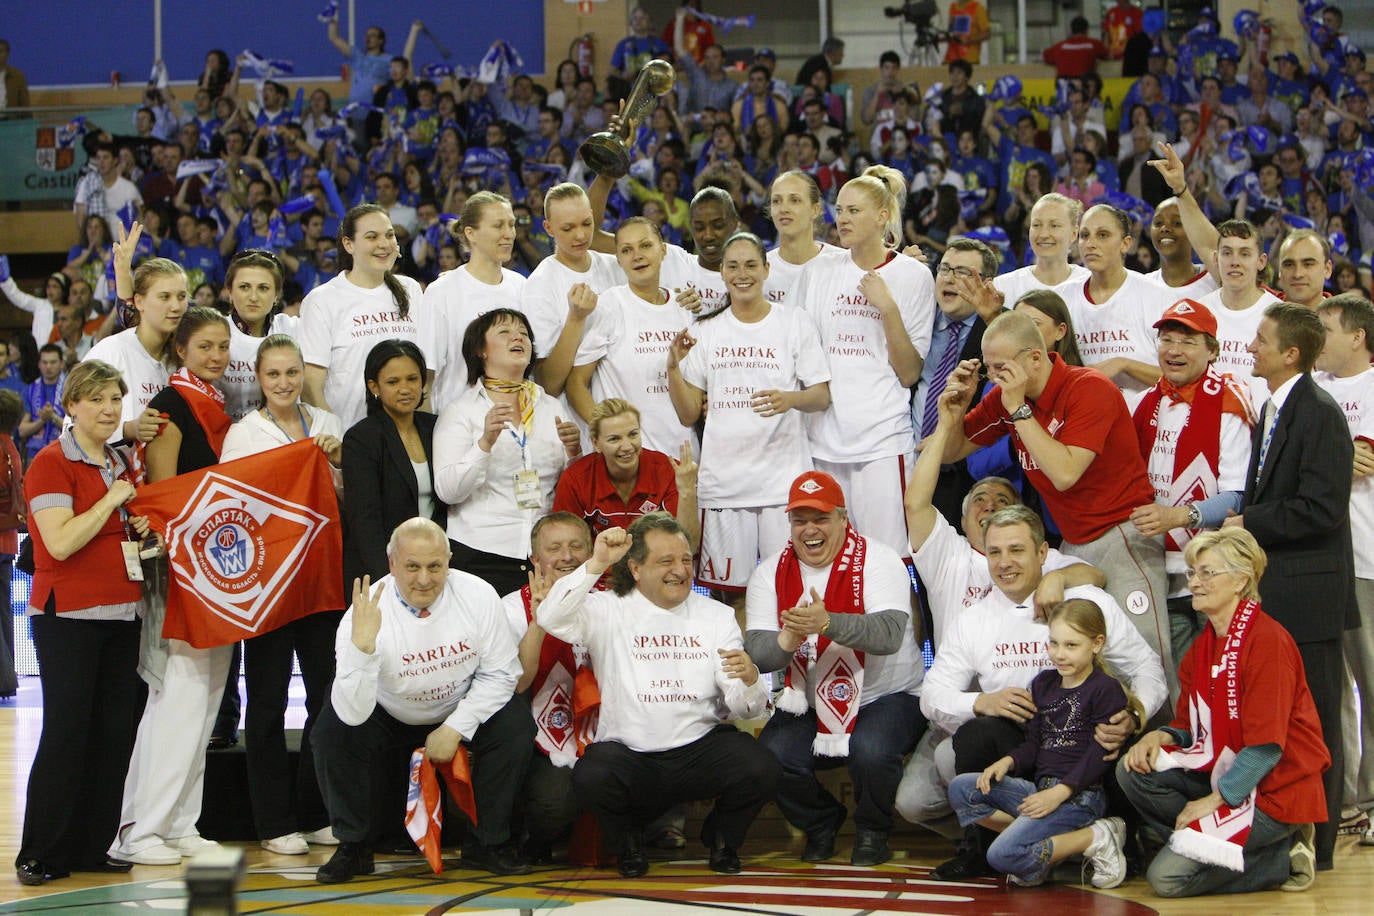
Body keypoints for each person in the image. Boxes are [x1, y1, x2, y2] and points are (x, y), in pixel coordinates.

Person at [920, 505, 1167, 881]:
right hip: (1028, 744)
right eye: (994, 552)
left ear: (1042, 554)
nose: (1005, 563)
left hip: (1089, 741)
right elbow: (931, 694)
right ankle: (987, 850)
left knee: (1120, 734)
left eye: (1016, 550)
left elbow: (1147, 669)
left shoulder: (1086, 600)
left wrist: (1134, 715)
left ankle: (1121, 837)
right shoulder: (972, 620)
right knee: (976, 733)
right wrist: (980, 701)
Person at [941, 310, 1174, 691]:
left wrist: (1019, 411)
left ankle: (1164, 743)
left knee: (1145, 660)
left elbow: (1064, 474)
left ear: (1035, 357)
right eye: (990, 368)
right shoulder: (1004, 398)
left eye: (1002, 366)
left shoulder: (1089, 388)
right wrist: (954, 409)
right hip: (1075, 542)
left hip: (1124, 535)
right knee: (1084, 665)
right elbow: (952, 451)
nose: (995, 377)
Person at [537, 514, 780, 877]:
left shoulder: (717, 616)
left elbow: (745, 706)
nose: (680, 571)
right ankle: (628, 845)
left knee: (760, 767)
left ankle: (723, 839)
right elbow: (549, 616)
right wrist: (598, 561)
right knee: (592, 776)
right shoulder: (606, 608)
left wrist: (749, 680)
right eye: (666, 561)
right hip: (630, 754)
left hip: (699, 747)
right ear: (635, 568)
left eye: (685, 560)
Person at [311, 518, 534, 882]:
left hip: (457, 704)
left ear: (449, 561)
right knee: (332, 733)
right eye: (412, 567)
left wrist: (455, 728)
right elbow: (351, 712)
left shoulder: (478, 594)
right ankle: (354, 845)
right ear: (393, 565)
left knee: (515, 726)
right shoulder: (363, 613)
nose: (424, 579)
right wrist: (363, 650)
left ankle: (488, 844)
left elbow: (502, 674)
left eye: (435, 566)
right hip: (386, 709)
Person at [1119, 528, 1330, 897]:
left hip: (1276, 791)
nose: (1195, 583)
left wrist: (1213, 802)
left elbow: (1265, 748)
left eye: (1206, 573)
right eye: (1192, 573)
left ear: (1240, 580)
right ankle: (1197, 842)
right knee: (1132, 770)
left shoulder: (1268, 641)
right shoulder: (1203, 647)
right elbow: (1189, 726)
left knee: (1165, 880)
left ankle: (1282, 856)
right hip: (1222, 772)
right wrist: (1159, 735)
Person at [1227, 303, 1355, 871]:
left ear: (1291, 354)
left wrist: (1247, 523)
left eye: (1260, 339)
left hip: (1312, 597)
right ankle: (1284, 833)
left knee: (1320, 721)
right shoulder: (1274, 408)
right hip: (1279, 591)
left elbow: (1322, 509)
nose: (1251, 346)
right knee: (1281, 721)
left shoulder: (1320, 412)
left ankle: (1319, 847)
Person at [744, 471, 924, 867]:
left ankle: (873, 830)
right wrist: (788, 639)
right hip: (807, 701)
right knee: (770, 757)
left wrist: (828, 623)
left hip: (885, 696)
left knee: (871, 751)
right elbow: (758, 652)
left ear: (843, 518)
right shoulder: (769, 572)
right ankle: (822, 822)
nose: (810, 529)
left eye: (821, 518)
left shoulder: (880, 560)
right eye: (799, 519)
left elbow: (890, 634)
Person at [14, 361, 149, 886]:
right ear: (71, 406)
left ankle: (93, 844)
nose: (109, 409)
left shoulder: (120, 461)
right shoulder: (51, 463)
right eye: (96, 400)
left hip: (124, 614)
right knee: (67, 734)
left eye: (116, 399)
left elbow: (113, 537)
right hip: (67, 618)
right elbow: (60, 542)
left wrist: (140, 533)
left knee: (114, 735)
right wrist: (114, 502)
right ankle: (40, 851)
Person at [110, 307, 233, 867]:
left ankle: (181, 822)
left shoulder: (216, 407)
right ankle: (140, 829)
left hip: (218, 575)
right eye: (204, 345)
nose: (216, 356)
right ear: (180, 350)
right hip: (181, 573)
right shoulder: (168, 408)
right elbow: (163, 500)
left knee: (204, 703)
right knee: (177, 699)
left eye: (222, 346)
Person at [219, 335, 344, 856]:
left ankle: (315, 812)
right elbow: (231, 504)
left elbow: (347, 497)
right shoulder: (243, 433)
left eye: (292, 372)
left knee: (326, 699)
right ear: (258, 380)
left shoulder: (331, 425)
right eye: (273, 375)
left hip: (321, 581)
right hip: (268, 588)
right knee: (267, 704)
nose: (285, 383)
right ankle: (273, 822)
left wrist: (336, 466)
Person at [667, 233, 831, 594]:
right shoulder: (704, 329)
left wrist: (790, 399)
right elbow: (688, 413)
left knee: (789, 595)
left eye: (751, 265)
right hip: (724, 486)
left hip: (782, 485)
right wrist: (673, 370)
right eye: (733, 266)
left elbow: (820, 396)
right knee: (730, 597)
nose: (742, 274)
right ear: (722, 274)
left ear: (766, 269)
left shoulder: (794, 322)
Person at [949, 599, 1137, 889]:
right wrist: (1007, 762)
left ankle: (1098, 836)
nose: (1059, 654)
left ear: (1097, 644)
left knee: (1000, 855)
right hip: (1041, 788)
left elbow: (1100, 755)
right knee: (962, 788)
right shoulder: (1043, 684)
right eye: (1054, 643)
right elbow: (1034, 745)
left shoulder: (1104, 689)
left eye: (1071, 646)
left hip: (1080, 796)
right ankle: (1039, 851)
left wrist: (1061, 793)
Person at [795, 167, 933, 554]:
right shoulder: (819, 270)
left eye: (854, 211)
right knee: (829, 559)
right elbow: (803, 355)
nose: (843, 219)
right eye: (839, 210)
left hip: (881, 441)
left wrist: (887, 308)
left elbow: (908, 374)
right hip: (822, 440)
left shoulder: (912, 276)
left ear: (883, 216)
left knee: (890, 561)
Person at [1129, 299, 1253, 665]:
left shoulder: (1229, 403)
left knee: (1222, 675)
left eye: (1188, 341)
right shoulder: (1145, 402)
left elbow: (1239, 496)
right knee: (1178, 680)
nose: (1174, 351)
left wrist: (1179, 516)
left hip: (1215, 571)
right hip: (1156, 570)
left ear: (1212, 350)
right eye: (1167, 340)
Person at [433, 308, 580, 596]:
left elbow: (567, 486)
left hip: (544, 556)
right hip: (481, 552)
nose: (518, 337)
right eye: (505, 332)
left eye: (524, 333)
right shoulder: (461, 411)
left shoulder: (551, 407)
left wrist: (574, 454)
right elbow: (447, 491)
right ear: (480, 350)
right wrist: (484, 444)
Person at [1311, 294, 1374, 846]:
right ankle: (1351, 801)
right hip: (1329, 559)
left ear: (1356, 336)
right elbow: (1343, 462)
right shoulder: (1319, 391)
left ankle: (1371, 800)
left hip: (1369, 559)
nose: (1317, 338)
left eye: (1326, 327)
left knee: (1372, 686)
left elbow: (1365, 461)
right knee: (1338, 690)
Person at [499, 511, 595, 861]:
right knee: (555, 804)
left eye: (576, 546)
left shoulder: (609, 604)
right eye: (554, 548)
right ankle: (532, 836)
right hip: (535, 741)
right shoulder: (509, 608)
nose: (567, 556)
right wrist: (539, 619)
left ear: (591, 554)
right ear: (535, 559)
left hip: (602, 732)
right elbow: (518, 683)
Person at [566, 219, 695, 454]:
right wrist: (609, 434)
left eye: (645, 246)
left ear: (663, 250)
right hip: (627, 460)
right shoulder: (609, 304)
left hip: (681, 455)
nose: (637, 256)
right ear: (618, 259)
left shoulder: (684, 307)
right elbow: (576, 384)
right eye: (627, 250)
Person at [301, 204, 429, 430]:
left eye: (389, 235)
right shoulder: (322, 300)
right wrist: (339, 439)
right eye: (372, 237)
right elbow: (311, 386)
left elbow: (424, 370)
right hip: (350, 434)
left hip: (408, 434)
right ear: (348, 244)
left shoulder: (410, 289)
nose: (383, 244)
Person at [341, 339, 447, 593]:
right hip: (382, 572)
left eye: (412, 379)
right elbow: (365, 522)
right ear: (374, 386)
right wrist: (388, 581)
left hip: (434, 567)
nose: (405, 388)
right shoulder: (361, 438)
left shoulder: (437, 427)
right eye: (393, 382)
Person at [422, 192, 526, 410]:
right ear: (471, 233)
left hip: (518, 423)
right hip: (460, 427)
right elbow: (426, 377)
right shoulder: (442, 292)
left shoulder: (522, 287)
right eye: (498, 226)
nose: (509, 234)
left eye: (511, 225)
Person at [518, 183, 623, 398]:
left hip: (625, 403)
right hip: (575, 420)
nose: (581, 235)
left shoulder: (616, 266)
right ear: (548, 228)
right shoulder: (540, 285)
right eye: (568, 228)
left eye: (586, 223)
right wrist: (575, 319)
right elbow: (548, 384)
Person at [84, 225, 181, 452]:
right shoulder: (109, 352)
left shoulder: (186, 353)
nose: (175, 306)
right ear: (139, 302)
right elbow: (75, 424)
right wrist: (129, 429)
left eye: (181, 296)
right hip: (115, 476)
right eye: (165, 296)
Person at [1063, 204, 1172, 403]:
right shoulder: (1062, 297)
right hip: (1083, 423)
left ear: (1126, 243)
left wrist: (1124, 365)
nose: (1090, 243)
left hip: (1145, 423)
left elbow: (1181, 378)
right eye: (1085, 235)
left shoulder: (1157, 296)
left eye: (1103, 235)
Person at [554, 396, 698, 545]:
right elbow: (566, 548)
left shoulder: (669, 471)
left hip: (655, 566)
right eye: (614, 439)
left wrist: (687, 491)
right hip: (600, 566)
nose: (627, 446)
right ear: (596, 443)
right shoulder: (575, 479)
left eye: (633, 434)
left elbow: (689, 547)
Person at [220, 249, 298, 422]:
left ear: (277, 295)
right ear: (230, 292)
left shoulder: (292, 329)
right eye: (244, 287)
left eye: (263, 288)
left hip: (280, 437)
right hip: (222, 437)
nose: (253, 297)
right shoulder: (214, 332)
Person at [992, 193, 1090, 306]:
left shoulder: (1091, 284)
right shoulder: (1004, 286)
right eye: (1036, 225)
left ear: (1074, 233)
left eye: (1054, 226)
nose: (1043, 234)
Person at [764, 171, 835, 308]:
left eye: (795, 200)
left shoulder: (839, 263)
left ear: (815, 209)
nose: (783, 209)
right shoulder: (759, 271)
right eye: (776, 201)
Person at [19, 345, 65, 462]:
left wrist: (53, 417)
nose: (48, 367)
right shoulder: (29, 390)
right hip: (35, 453)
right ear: (39, 364)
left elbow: (76, 428)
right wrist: (43, 420)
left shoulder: (71, 389)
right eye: (44, 362)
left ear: (61, 364)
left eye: (53, 362)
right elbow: (22, 430)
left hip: (63, 452)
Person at [1276, 229, 1335, 310]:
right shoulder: (1260, 316)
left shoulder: (1347, 320)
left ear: (1327, 269)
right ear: (1280, 271)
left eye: (1308, 264)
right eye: (1289, 265)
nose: (1297, 274)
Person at [1043, 16, 1109, 79]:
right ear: (1087, 30)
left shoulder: (1060, 46)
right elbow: (1108, 55)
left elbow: (1046, 56)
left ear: (1071, 31)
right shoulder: (1094, 44)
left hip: (1063, 86)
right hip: (1084, 84)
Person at [0, 39, 31, 113]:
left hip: (10, 121)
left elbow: (25, 105)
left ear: (7, 54)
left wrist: (29, 123)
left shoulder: (17, 76)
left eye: (0, 52)